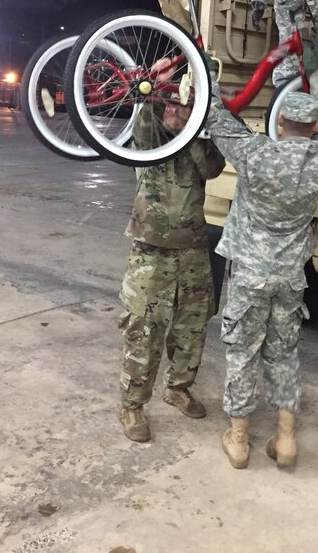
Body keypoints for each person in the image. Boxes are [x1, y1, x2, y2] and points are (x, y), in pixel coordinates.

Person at [204, 70, 318, 470]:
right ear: (314, 128)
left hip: (250, 273)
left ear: (280, 122)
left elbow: (213, 117)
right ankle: (285, 438)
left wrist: (208, 73)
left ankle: (239, 439)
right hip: (290, 277)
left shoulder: (256, 153)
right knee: (283, 355)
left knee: (243, 353)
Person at [118, 93, 225, 443]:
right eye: (173, 105)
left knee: (192, 327)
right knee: (144, 330)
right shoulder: (149, 143)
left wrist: (191, 129)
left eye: (185, 107)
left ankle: (178, 388)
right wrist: (155, 102)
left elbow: (212, 167)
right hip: (151, 252)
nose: (177, 112)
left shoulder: (199, 142)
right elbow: (145, 126)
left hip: (193, 248)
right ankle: (132, 406)